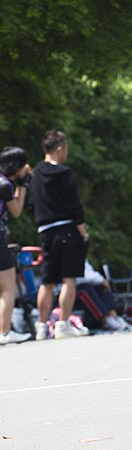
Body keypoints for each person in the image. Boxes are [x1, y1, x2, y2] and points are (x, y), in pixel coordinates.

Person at [29, 130, 89, 339]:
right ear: (60, 148)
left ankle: (41, 326)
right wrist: (82, 231)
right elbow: (75, 205)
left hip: (45, 230)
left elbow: (31, 203)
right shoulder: (65, 173)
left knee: (47, 280)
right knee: (68, 278)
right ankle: (63, 323)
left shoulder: (34, 174)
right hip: (67, 228)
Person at [0, 146, 33, 344]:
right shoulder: (5, 186)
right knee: (8, 287)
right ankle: (4, 332)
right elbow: (17, 211)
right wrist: (23, 185)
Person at [75, 259, 132, 331]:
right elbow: (80, 276)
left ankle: (113, 317)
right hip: (64, 289)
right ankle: (105, 320)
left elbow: (88, 272)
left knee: (101, 287)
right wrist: (101, 280)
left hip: (77, 285)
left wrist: (101, 281)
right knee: (86, 288)